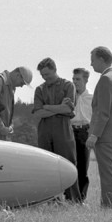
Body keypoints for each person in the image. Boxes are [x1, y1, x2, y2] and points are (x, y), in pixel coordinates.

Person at [32, 58, 82, 202]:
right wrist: (58, 108)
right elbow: (38, 113)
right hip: (44, 130)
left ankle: (73, 199)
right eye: (42, 75)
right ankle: (49, 199)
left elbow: (68, 108)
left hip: (63, 129)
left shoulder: (68, 86)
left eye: (47, 74)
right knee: (46, 164)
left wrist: (47, 106)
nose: (45, 78)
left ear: (55, 70)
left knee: (69, 163)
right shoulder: (40, 89)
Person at [86, 46, 112, 208]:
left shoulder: (106, 79)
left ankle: (109, 208)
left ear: (102, 59)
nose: (91, 64)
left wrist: (94, 134)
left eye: (93, 60)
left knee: (108, 174)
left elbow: (103, 112)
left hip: (105, 135)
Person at [69, 67, 93, 200]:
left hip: (84, 131)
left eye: (78, 79)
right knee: (69, 164)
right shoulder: (69, 97)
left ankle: (81, 199)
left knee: (83, 166)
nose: (75, 82)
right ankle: (69, 197)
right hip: (70, 131)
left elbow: (95, 117)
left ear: (86, 80)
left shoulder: (92, 98)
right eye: (73, 79)